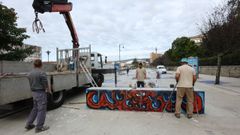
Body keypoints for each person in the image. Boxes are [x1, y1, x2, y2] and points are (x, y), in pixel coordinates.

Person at [25, 59, 51, 133]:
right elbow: (45, 83)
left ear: (34, 65)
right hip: (40, 93)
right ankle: (39, 127)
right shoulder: (41, 73)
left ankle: (29, 124)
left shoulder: (30, 73)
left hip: (34, 93)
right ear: (41, 65)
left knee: (35, 108)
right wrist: (48, 90)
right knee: (41, 109)